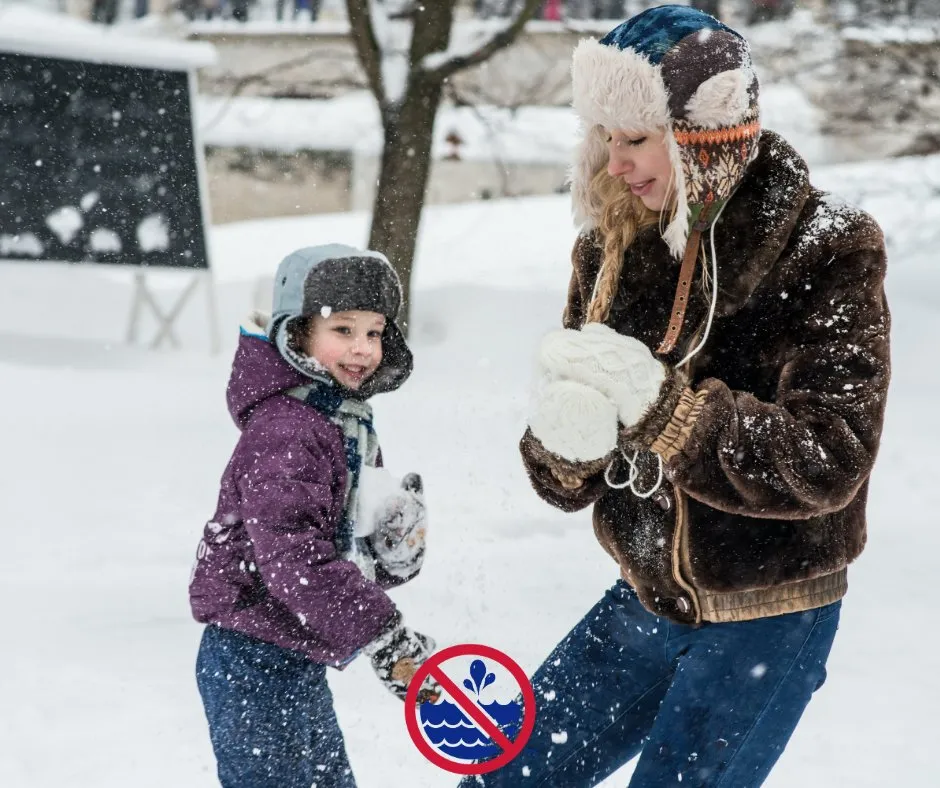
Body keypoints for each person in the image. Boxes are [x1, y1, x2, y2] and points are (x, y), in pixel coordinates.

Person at [462, 5, 890, 787]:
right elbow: (571, 472)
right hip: (643, 596)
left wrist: (670, 415)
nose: (614, 165)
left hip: (769, 617)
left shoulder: (826, 246)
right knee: (501, 779)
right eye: (604, 140)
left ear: (704, 134)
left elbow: (830, 457)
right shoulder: (613, 240)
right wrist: (564, 445)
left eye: (634, 140)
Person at [190, 244, 439, 788]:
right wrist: (384, 634)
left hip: (292, 656)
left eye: (374, 332)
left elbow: (338, 550)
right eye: (343, 330)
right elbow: (293, 560)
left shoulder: (341, 420)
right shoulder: (287, 431)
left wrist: (392, 550)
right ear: (296, 333)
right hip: (250, 660)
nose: (363, 349)